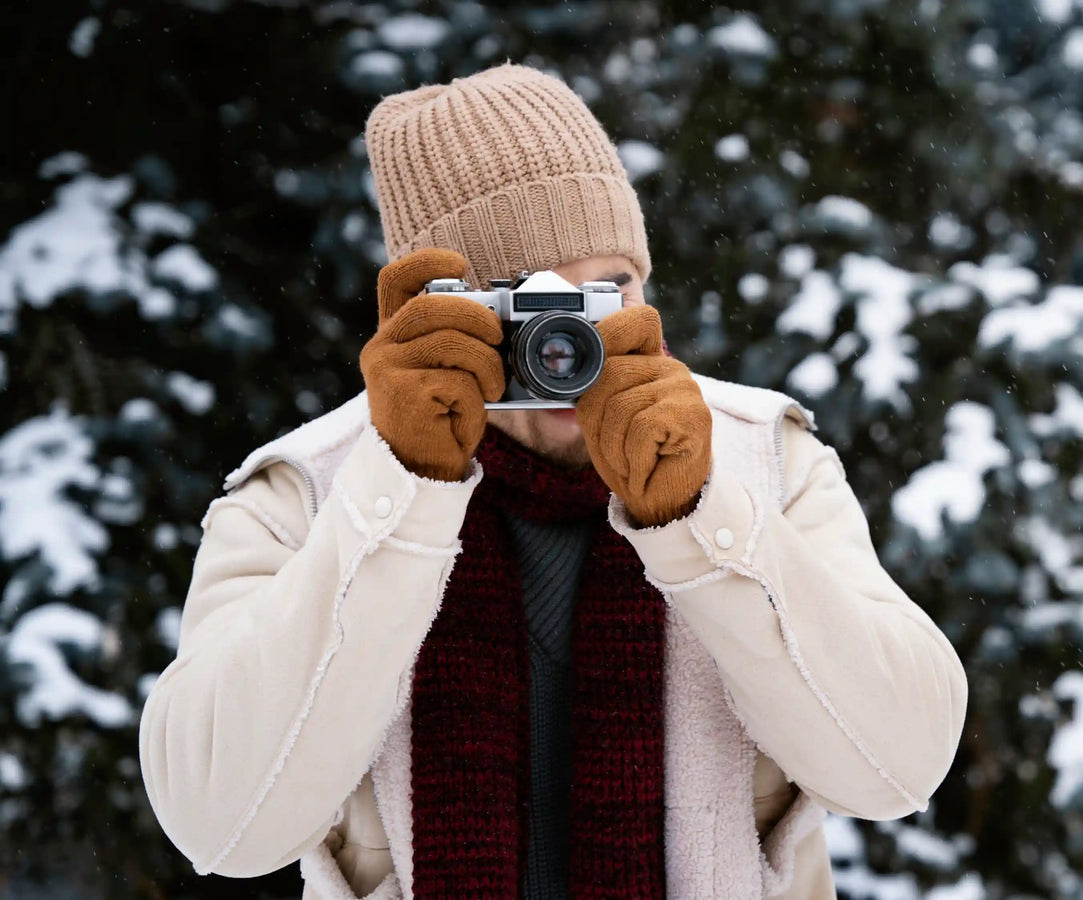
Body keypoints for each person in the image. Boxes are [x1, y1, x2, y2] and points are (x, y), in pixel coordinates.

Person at [137, 64, 967, 900]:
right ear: (441, 310)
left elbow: (899, 771)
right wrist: (402, 494)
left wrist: (700, 516)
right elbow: (222, 828)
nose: (571, 343)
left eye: (608, 290)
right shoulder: (309, 492)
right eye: (527, 303)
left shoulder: (761, 460)